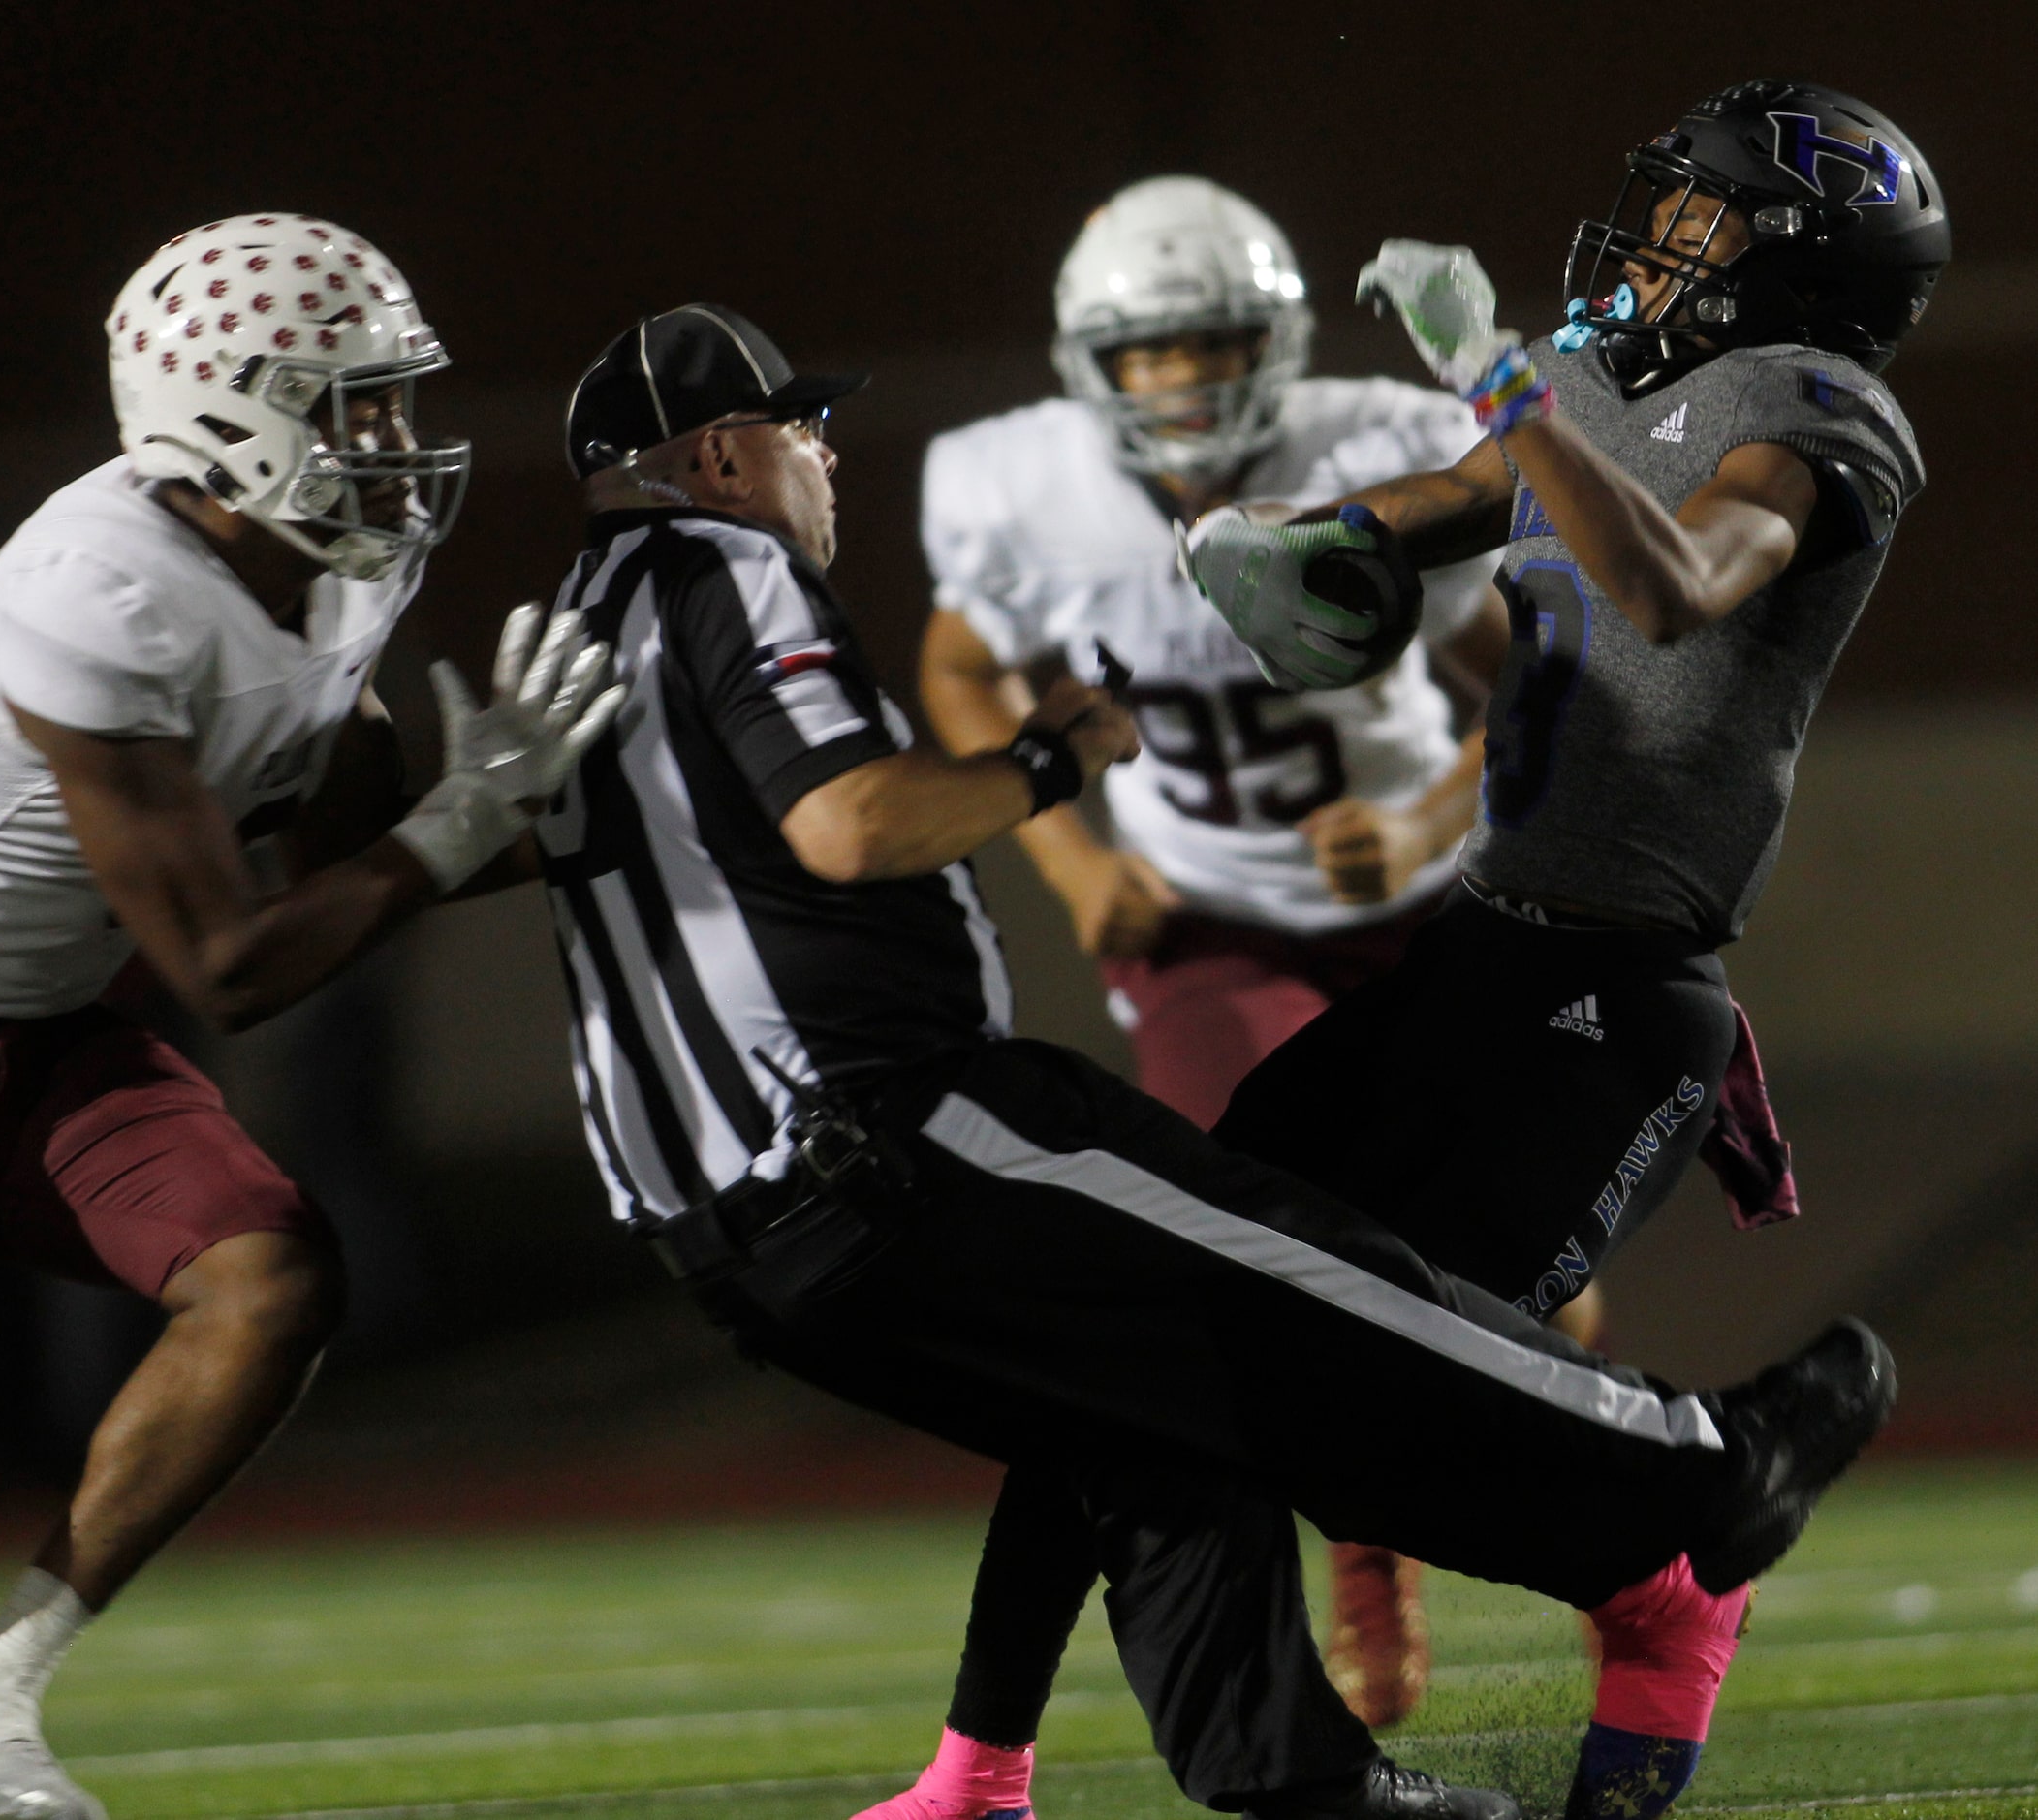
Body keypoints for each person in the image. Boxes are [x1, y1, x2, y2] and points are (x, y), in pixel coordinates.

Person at [530, 300, 1895, 1820]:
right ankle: (1696, 1486)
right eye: (803, 427)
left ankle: (1172, 1776)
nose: (828, 455)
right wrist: (1059, 767)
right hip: (892, 1130)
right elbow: (850, 820)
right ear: (720, 453)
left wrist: (1321, 559)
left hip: (724, 1225)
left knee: (1145, 1393)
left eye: (1205, 342)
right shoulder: (740, 561)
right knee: (1302, 1283)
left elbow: (1526, 604)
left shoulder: (575, 618)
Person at [0, 215, 618, 1820]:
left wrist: (573, 813)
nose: (390, 444)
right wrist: (459, 826)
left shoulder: (342, 559)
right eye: (354, 405)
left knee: (271, 1277)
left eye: (390, 401)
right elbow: (233, 964)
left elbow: (346, 845)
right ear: (227, 409)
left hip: (44, 1029)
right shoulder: (97, 585)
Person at [1150, 78, 1941, 1816]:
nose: (1661, 247)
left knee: (1388, 1389)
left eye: (1701, 222)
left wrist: (1504, 377)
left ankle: (1691, 1541)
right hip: (1469, 947)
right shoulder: (1601, 383)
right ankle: (983, 1764)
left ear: (1800, 261)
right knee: (1181, 1293)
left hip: (1618, 992)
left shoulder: (1825, 413)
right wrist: (1313, 556)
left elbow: (1670, 581)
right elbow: (1465, 489)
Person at [918, 173, 1515, 1732]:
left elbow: (1540, 673)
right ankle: (1362, 1552)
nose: (1180, 381)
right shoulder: (1021, 487)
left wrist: (1439, 805)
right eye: (1149, 352)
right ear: (1088, 363)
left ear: (1277, 339)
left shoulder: (1372, 451)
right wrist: (1064, 850)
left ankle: (1581, 1524)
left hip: (1422, 900)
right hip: (1208, 914)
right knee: (1237, 1244)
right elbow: (960, 659)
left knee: (1521, 1269)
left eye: (1210, 344)